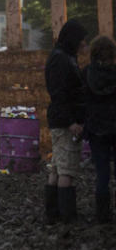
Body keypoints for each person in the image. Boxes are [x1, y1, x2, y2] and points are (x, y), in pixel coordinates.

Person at [45, 19, 88, 224]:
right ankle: (67, 216)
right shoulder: (63, 60)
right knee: (67, 170)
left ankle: (52, 213)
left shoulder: (61, 57)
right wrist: (71, 122)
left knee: (57, 168)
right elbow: (60, 93)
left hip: (59, 119)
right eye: (81, 40)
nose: (84, 44)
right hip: (65, 122)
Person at [81, 34, 116, 223]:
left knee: (102, 173)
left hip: (96, 128)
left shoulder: (86, 73)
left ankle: (102, 214)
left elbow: (81, 100)